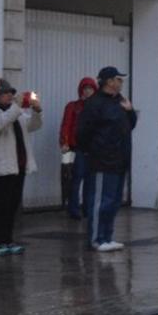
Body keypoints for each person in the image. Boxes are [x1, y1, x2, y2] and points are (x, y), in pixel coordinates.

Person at [76, 66, 137, 251]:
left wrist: (130, 111)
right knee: (100, 201)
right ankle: (96, 239)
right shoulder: (95, 103)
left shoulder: (120, 101)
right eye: (119, 79)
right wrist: (93, 152)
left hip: (120, 160)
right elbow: (83, 132)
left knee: (114, 201)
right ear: (109, 81)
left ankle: (107, 236)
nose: (121, 83)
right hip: (102, 160)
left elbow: (129, 126)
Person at [0, 80, 42, 256]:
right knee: (0, 208)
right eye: (5, 93)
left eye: (11, 92)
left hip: (18, 167)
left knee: (12, 207)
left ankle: (8, 240)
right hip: (0, 168)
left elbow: (34, 126)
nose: (10, 95)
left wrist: (37, 111)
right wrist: (17, 107)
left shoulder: (16, 114)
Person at [60, 77, 97, 219]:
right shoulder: (73, 106)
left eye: (90, 88)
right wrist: (65, 142)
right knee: (75, 179)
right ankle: (73, 209)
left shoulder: (96, 107)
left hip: (93, 149)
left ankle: (88, 209)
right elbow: (66, 125)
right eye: (85, 88)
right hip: (77, 148)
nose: (87, 91)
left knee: (90, 181)